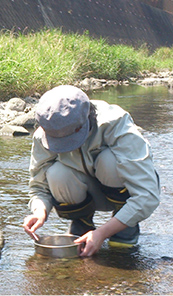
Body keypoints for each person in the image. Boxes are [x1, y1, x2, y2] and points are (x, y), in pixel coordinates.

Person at [22, 85, 160, 257]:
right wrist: (39, 211)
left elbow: (148, 195)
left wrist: (102, 233)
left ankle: (124, 224)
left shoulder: (116, 123)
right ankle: (81, 222)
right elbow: (38, 186)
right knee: (57, 173)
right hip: (83, 193)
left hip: (119, 190)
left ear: (84, 124)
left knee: (109, 161)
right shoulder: (47, 131)